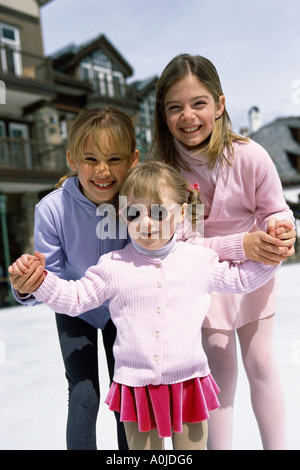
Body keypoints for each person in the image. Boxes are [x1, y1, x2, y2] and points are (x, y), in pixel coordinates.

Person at [8, 161, 283, 451]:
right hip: (136, 387)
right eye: (134, 213)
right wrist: (39, 281)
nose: (146, 222)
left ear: (181, 213)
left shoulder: (198, 260)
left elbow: (240, 278)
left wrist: (274, 253)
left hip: (188, 382)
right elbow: (76, 298)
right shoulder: (113, 266)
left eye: (158, 212)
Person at [147, 54, 296, 450]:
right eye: (174, 107)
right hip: (205, 275)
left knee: (261, 362)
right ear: (163, 115)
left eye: (198, 103)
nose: (188, 116)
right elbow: (180, 243)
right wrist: (238, 244)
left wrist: (279, 228)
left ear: (220, 104)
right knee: (219, 363)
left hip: (256, 270)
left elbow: (276, 208)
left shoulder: (249, 156)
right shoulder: (166, 173)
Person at [8, 107, 139, 450]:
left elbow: (160, 250)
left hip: (121, 309)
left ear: (133, 160)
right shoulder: (51, 209)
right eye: (90, 158)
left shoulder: (136, 204)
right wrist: (29, 284)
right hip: (73, 308)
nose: (102, 170)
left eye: (114, 158)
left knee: (127, 394)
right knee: (84, 393)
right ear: (71, 158)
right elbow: (47, 276)